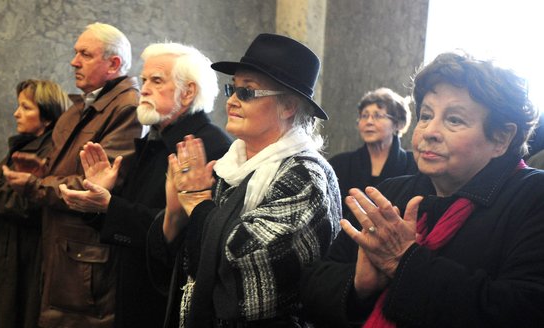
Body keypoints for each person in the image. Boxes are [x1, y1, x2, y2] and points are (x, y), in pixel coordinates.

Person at [300, 52, 544, 327]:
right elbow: (312, 288)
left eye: (454, 120)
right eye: (426, 116)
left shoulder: (533, 195)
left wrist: (403, 262)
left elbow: (524, 310)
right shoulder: (392, 193)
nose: (429, 131)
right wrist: (359, 286)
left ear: (501, 138)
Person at [147, 33, 341, 327]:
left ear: (288, 106)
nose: (232, 101)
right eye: (232, 89)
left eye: (247, 92)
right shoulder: (230, 166)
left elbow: (246, 257)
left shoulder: (306, 175)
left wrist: (198, 204)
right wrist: (175, 213)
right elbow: (191, 263)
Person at [57, 42, 232, 327]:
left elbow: (183, 233)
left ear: (187, 93)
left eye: (157, 81)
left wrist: (110, 205)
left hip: (167, 304)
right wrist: (101, 199)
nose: (144, 89)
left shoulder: (207, 147)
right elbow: (131, 220)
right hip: (133, 292)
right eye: (145, 80)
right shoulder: (157, 140)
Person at [2, 23, 144, 327]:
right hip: (62, 251)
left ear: (114, 64)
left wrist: (36, 184)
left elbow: (95, 184)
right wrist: (42, 169)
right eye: (75, 52)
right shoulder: (79, 107)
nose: (73, 61)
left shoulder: (128, 108)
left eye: (85, 54)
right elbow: (70, 170)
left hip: (86, 259)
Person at [0, 79, 68, 328]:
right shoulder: (23, 145)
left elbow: (24, 207)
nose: (16, 113)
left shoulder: (50, 152)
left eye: (26, 107)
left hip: (24, 258)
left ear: (48, 117)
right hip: (3, 251)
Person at [329, 88, 417, 218]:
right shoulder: (338, 165)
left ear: (398, 124)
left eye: (378, 115)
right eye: (364, 116)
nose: (369, 122)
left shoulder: (415, 165)